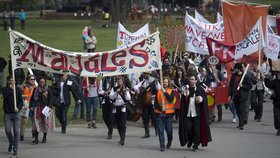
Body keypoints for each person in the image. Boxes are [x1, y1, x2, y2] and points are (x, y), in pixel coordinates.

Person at [179, 74, 212, 152]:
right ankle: (190, 140)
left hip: (197, 114)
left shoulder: (200, 89)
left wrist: (201, 99)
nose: (191, 80)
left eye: (193, 79)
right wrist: (183, 95)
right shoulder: (186, 89)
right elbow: (182, 101)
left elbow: (204, 99)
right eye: (190, 79)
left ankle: (195, 145)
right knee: (188, 129)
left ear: (196, 81)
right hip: (188, 114)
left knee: (197, 131)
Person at [2, 75, 23, 156]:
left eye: (12, 80)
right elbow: (5, 95)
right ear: (8, 81)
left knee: (16, 131)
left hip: (16, 114)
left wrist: (18, 108)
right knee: (7, 130)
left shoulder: (18, 90)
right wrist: (10, 88)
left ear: (15, 81)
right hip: (8, 113)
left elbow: (21, 101)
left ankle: (15, 148)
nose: (11, 81)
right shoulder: (5, 89)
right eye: (10, 80)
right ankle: (11, 142)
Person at [30, 77, 54, 144]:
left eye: (43, 82)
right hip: (37, 107)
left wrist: (49, 107)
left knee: (45, 123)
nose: (42, 83)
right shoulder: (36, 89)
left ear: (45, 82)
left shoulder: (48, 89)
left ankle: (44, 137)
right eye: (41, 82)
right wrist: (31, 106)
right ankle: (36, 139)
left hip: (45, 108)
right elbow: (32, 98)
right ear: (39, 82)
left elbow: (51, 99)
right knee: (36, 122)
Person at [228, 63, 252, 130]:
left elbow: (250, 86)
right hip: (235, 95)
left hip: (243, 96)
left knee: (241, 110)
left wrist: (243, 86)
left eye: (235, 68)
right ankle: (241, 122)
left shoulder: (245, 76)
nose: (234, 69)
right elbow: (230, 86)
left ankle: (241, 124)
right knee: (238, 110)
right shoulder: (233, 76)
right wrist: (229, 95)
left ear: (238, 69)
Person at [154, 77, 175, 151]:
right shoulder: (159, 92)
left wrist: (165, 92)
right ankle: (162, 145)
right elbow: (156, 103)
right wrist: (160, 108)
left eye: (166, 82)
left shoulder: (171, 91)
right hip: (160, 114)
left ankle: (169, 141)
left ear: (168, 83)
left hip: (169, 115)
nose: (165, 83)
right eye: (163, 82)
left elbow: (171, 99)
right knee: (160, 131)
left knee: (169, 131)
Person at [134, 72, 157, 138]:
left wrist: (156, 83)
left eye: (146, 74)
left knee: (154, 117)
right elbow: (135, 86)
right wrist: (137, 89)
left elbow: (158, 88)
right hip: (145, 102)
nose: (145, 75)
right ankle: (147, 133)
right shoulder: (143, 82)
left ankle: (157, 130)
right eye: (144, 74)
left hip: (152, 100)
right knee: (145, 117)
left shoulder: (153, 80)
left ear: (149, 74)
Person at [109, 76, 131, 145]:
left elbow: (128, 98)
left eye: (120, 81)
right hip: (116, 107)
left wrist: (125, 92)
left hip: (123, 107)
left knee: (122, 123)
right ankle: (121, 136)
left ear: (122, 82)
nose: (119, 82)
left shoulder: (125, 88)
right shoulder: (114, 88)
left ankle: (123, 138)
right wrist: (116, 92)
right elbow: (111, 97)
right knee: (118, 123)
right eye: (118, 81)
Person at [19, 75, 36, 141]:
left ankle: (34, 131)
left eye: (34, 79)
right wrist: (23, 96)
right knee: (24, 121)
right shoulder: (23, 87)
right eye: (31, 79)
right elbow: (18, 95)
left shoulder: (36, 87)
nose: (33, 80)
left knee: (34, 119)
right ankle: (22, 134)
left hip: (33, 104)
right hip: (25, 104)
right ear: (28, 80)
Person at [264, 71, 280, 136]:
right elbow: (268, 85)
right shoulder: (275, 81)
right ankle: (278, 128)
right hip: (277, 102)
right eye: (278, 74)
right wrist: (267, 77)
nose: (279, 75)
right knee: (276, 116)